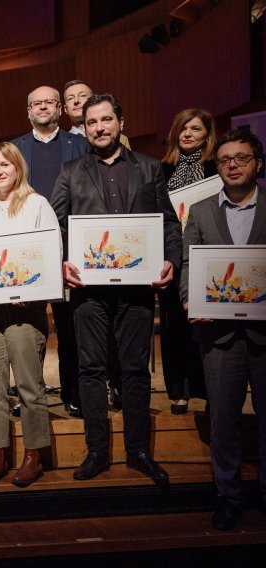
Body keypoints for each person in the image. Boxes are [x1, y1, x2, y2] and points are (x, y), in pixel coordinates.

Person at [50, 93, 182, 482]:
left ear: (120, 123)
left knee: (135, 370)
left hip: (137, 288)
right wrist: (60, 262)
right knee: (90, 370)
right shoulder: (70, 170)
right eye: (92, 123)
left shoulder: (149, 168)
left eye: (106, 120)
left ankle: (138, 451)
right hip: (88, 290)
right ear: (85, 128)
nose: (99, 128)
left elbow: (169, 224)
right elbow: (56, 225)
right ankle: (96, 452)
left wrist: (171, 259)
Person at [180, 129, 266, 530]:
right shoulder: (199, 211)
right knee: (223, 420)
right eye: (225, 160)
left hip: (265, 335)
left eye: (241, 158)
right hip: (217, 335)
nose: (232, 165)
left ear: (257, 164)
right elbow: (188, 265)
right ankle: (229, 496)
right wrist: (188, 300)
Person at [0, 142, 57, 487]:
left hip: (25, 309)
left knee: (30, 387)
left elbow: (49, 255)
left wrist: (29, 290)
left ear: (18, 168)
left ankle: (34, 456)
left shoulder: (38, 205)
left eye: (5, 164)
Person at [12, 86, 89, 417]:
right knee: (26, 329)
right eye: (36, 103)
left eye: (49, 102)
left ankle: (73, 392)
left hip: (70, 247)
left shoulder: (80, 145)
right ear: (28, 110)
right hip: (26, 248)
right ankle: (30, 396)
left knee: (69, 327)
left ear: (60, 108)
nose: (42, 107)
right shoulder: (16, 148)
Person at [160, 108, 217, 414]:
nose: (188, 134)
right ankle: (179, 391)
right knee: (173, 328)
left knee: (206, 326)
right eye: (183, 129)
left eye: (195, 129)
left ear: (207, 135)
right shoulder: (163, 170)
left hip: (208, 257)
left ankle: (208, 390)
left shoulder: (216, 169)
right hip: (173, 256)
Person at [63, 79, 131, 150]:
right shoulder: (62, 144)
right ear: (65, 109)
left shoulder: (119, 138)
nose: (76, 101)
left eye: (82, 95)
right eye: (70, 98)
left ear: (93, 100)